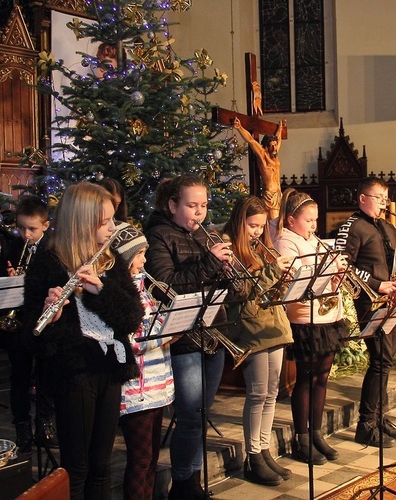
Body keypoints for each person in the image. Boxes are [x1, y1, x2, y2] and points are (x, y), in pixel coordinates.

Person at [22, 182, 143, 499]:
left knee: (102, 468)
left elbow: (131, 316)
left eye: (112, 220)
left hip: (109, 367)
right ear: (81, 220)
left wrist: (100, 291)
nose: (112, 228)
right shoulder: (49, 262)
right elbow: (31, 337)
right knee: (76, 469)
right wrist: (53, 316)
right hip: (74, 372)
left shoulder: (110, 259)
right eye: (105, 222)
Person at [143, 174, 233, 499]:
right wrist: (210, 264)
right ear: (171, 205)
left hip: (212, 332)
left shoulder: (207, 236)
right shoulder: (158, 237)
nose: (200, 212)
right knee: (190, 416)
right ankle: (182, 484)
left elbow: (220, 289)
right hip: (182, 339)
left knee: (202, 414)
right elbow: (168, 285)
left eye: (204, 205)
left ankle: (194, 479)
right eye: (192, 205)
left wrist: (227, 274)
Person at [334, 177, 396, 448]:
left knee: (386, 361)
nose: (383, 202)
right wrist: (377, 285)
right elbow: (342, 266)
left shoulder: (387, 227)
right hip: (371, 301)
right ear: (362, 198)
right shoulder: (352, 226)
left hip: (392, 301)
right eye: (378, 197)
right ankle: (366, 424)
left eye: (385, 197)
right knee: (380, 360)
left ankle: (379, 417)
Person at [222, 195, 294, 486]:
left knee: (272, 392)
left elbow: (271, 289)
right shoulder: (228, 247)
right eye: (252, 226)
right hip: (250, 328)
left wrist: (284, 277)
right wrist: (273, 272)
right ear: (241, 222)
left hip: (274, 325)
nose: (256, 232)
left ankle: (264, 450)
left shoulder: (261, 247)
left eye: (261, 226)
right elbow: (240, 292)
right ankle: (253, 456)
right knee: (258, 393)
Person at [273, 189, 348, 464]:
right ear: (292, 220)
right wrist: (327, 267)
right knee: (305, 379)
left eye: (316, 220)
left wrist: (337, 275)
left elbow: (327, 283)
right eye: (308, 220)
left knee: (322, 377)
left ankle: (317, 434)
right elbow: (296, 281)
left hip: (327, 317)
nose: (314, 226)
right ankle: (301, 438)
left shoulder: (315, 240)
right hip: (304, 318)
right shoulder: (285, 241)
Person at [113, 224, 176, 500]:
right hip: (135, 389)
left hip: (156, 384)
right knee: (139, 461)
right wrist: (166, 335)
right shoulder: (120, 293)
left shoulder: (143, 289)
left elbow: (156, 325)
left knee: (151, 458)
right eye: (140, 254)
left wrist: (171, 320)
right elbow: (130, 341)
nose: (145, 260)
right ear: (126, 258)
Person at [0, 195, 55, 453]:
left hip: (43, 323)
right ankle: (21, 425)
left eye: (32, 228)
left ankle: (45, 424)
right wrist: (9, 279)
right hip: (18, 323)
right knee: (18, 375)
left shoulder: (52, 250)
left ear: (45, 225)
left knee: (45, 375)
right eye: (21, 228)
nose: (26, 234)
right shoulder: (11, 248)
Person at [233, 117, 285, 219]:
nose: (275, 147)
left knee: (280, 222)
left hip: (279, 194)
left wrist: (280, 129)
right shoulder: (263, 155)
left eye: (275, 145)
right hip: (269, 196)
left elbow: (278, 139)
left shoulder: (274, 155)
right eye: (272, 146)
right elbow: (251, 140)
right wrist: (239, 128)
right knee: (273, 222)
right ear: (266, 146)